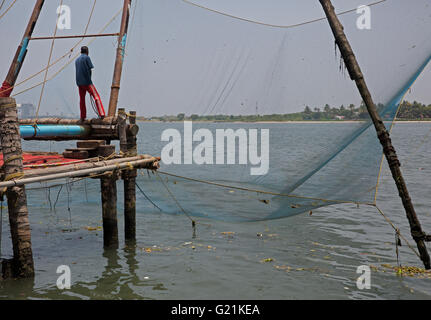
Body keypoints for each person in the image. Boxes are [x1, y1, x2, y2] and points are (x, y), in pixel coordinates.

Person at [75, 46, 105, 120]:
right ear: (87, 52)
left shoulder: (77, 60)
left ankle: (82, 117)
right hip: (87, 82)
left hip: (79, 83)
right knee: (96, 97)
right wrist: (90, 80)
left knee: (82, 100)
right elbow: (90, 68)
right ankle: (102, 114)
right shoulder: (87, 58)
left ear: (80, 52)